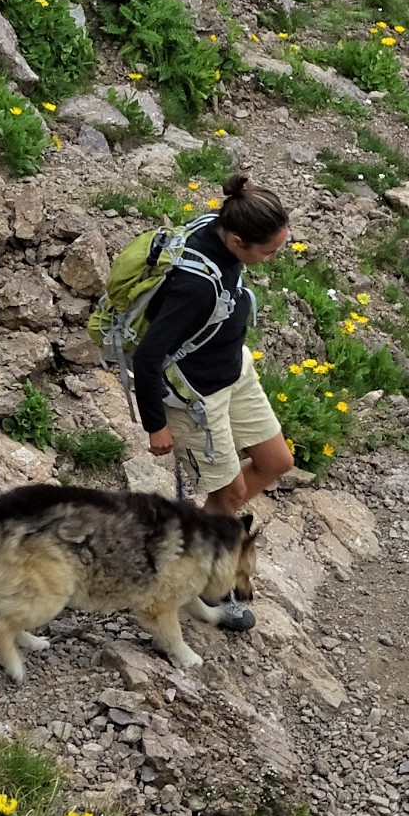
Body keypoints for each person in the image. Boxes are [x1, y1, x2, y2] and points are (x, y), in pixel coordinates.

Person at [132, 173, 294, 632]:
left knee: (276, 460)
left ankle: (195, 544)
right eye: (268, 251)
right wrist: (155, 423)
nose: (274, 257)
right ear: (238, 240)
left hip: (234, 370)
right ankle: (199, 581)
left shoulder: (221, 222)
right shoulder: (194, 286)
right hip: (194, 396)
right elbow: (148, 357)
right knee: (231, 494)